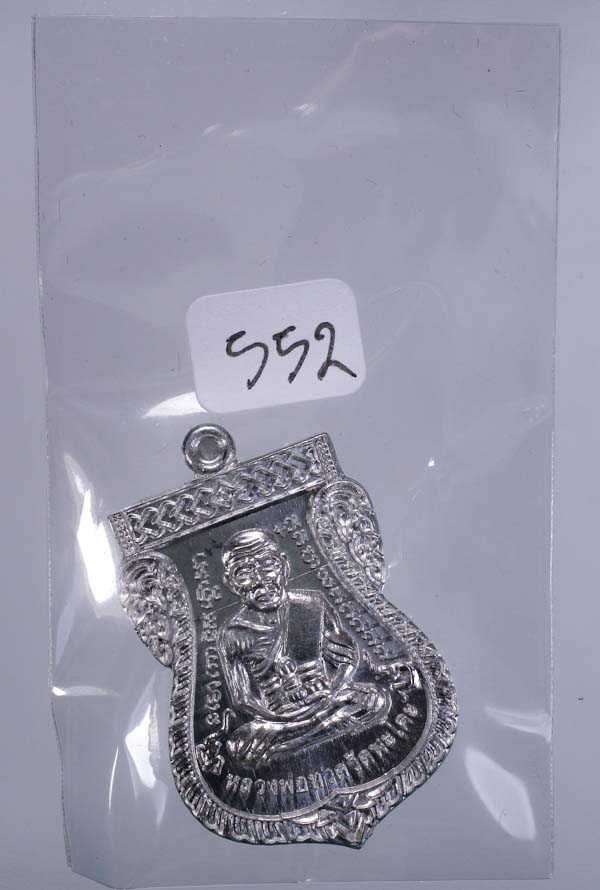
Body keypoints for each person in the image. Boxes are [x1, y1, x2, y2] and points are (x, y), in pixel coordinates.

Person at [217, 527, 390, 767]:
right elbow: (242, 699)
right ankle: (318, 730)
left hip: (326, 701)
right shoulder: (234, 633)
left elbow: (348, 657)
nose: (260, 580)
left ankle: (293, 743)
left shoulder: (311, 605)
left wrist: (334, 692)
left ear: (283, 566)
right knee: (238, 746)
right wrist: (279, 720)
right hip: (281, 719)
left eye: (267, 565)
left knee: (375, 700)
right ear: (231, 583)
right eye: (244, 572)